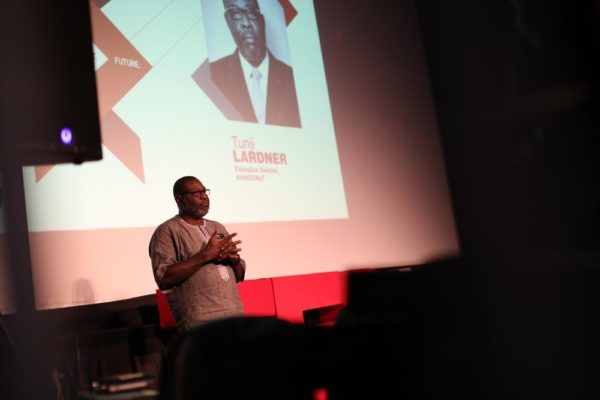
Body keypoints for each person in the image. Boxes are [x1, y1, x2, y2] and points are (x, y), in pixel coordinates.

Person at [149, 176, 246, 330]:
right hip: (200, 321)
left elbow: (240, 276)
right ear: (179, 199)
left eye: (205, 191)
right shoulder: (167, 231)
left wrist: (234, 260)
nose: (204, 196)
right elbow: (163, 278)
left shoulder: (217, 227)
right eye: (196, 193)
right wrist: (206, 255)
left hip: (234, 314)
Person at [209, 0, 301, 128]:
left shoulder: (294, 79)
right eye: (235, 13)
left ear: (262, 20)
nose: (246, 23)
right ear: (227, 21)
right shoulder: (212, 77)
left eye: (251, 13)